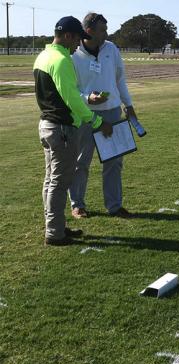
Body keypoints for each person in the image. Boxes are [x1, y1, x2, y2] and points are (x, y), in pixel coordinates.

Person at [34, 16, 113, 246]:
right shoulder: (61, 60)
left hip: (47, 125)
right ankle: (55, 233)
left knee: (51, 181)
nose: (79, 43)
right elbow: (72, 100)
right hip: (62, 129)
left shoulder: (43, 56)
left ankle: (56, 226)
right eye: (77, 38)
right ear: (68, 35)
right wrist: (97, 122)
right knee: (59, 182)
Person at [69, 12, 137, 219]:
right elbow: (70, 89)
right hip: (85, 114)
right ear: (88, 31)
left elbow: (120, 79)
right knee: (81, 162)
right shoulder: (72, 54)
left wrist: (129, 104)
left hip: (113, 112)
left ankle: (114, 206)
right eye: (103, 30)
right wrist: (87, 98)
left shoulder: (111, 48)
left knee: (114, 161)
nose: (106, 34)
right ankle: (77, 205)